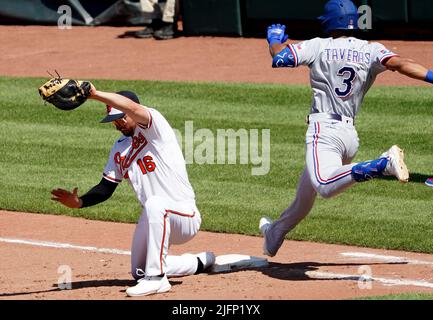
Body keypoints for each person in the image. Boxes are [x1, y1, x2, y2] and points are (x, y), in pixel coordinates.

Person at [259, 0, 433, 257]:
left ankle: (382, 164)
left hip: (324, 132)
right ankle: (274, 233)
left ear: (328, 21)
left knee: (324, 185)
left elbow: (281, 58)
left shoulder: (318, 45)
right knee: (303, 197)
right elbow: (401, 64)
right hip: (349, 136)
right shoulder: (371, 50)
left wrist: (274, 41)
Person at [51, 85, 215, 297]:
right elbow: (105, 187)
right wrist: (79, 202)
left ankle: (158, 279)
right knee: (139, 272)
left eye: (121, 118)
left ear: (133, 111)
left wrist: (94, 94)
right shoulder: (119, 148)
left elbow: (132, 107)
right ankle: (198, 261)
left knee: (155, 204)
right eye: (114, 121)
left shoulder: (154, 127)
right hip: (155, 218)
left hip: (185, 216)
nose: (118, 124)